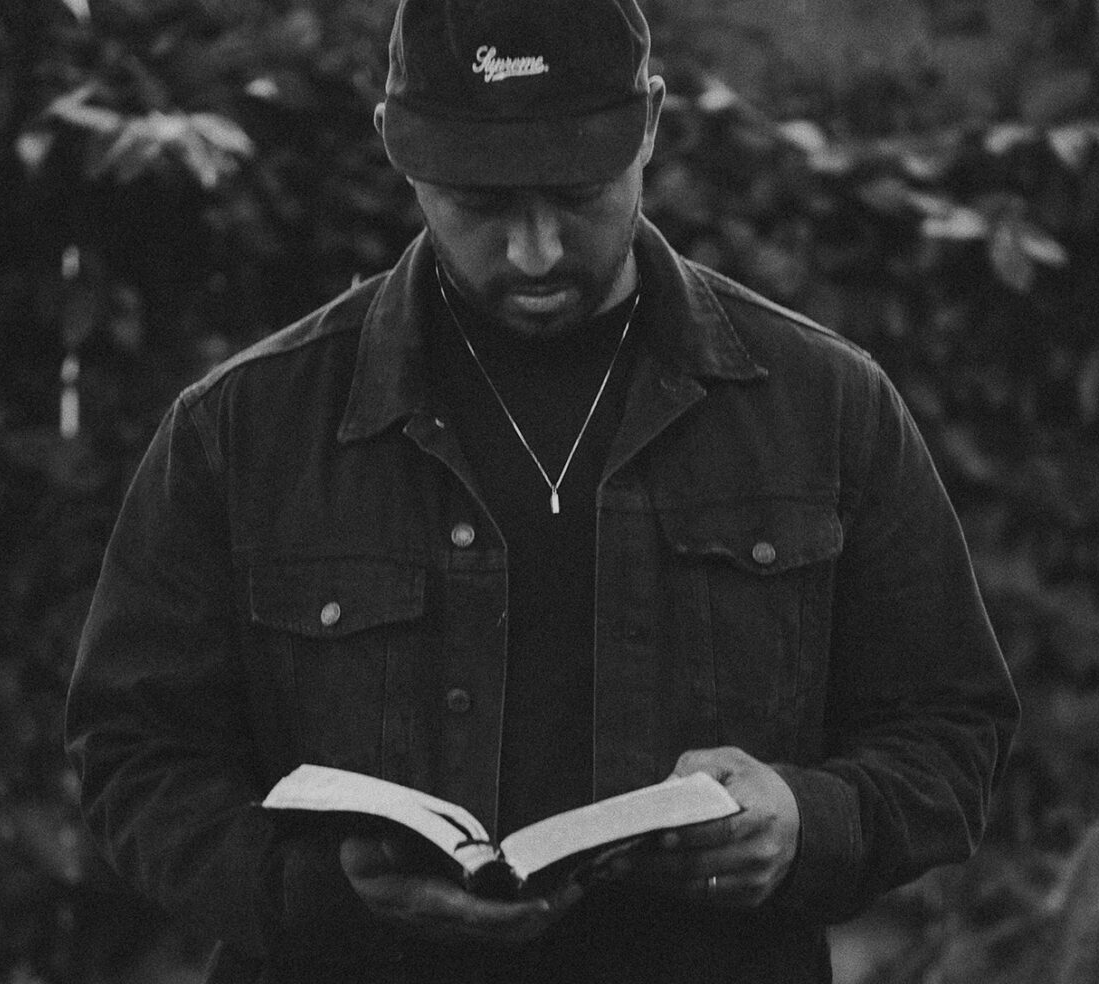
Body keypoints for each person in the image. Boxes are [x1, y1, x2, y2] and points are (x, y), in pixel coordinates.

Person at [65, 0, 1019, 980]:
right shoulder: (246, 427)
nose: (535, 251)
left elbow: (950, 725)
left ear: (649, 124)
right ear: (396, 145)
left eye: (577, 194)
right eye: (480, 204)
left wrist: (806, 824)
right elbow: (134, 751)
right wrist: (316, 894)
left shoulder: (823, 404)